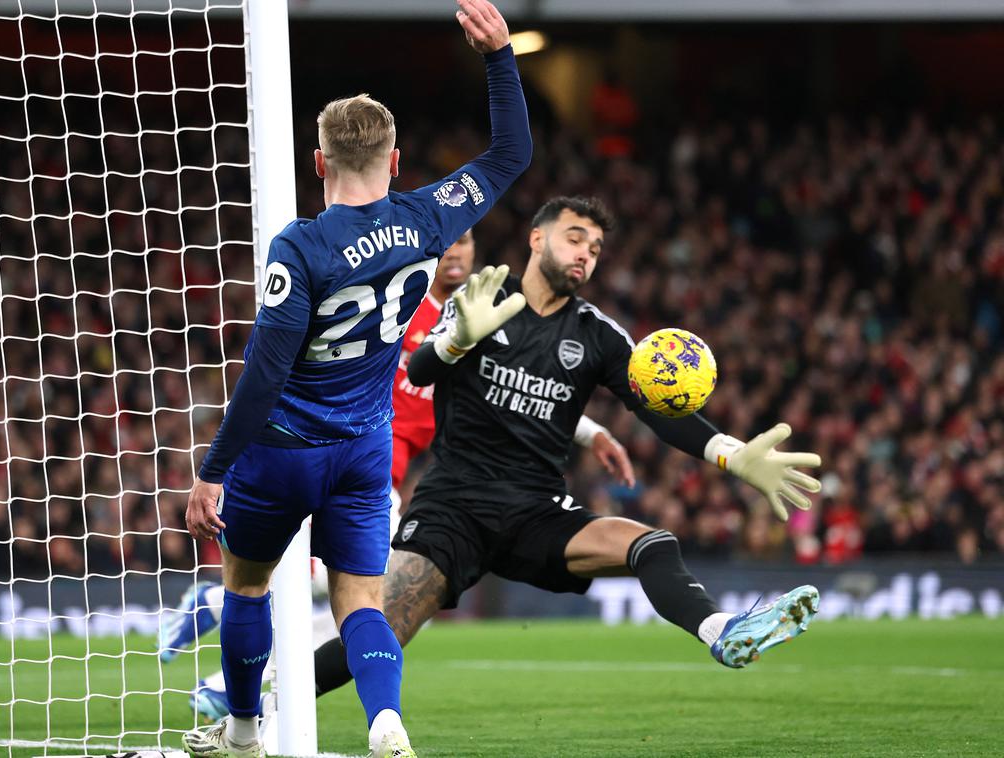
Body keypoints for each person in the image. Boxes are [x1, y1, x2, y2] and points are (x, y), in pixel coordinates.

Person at [305, 194, 824, 707]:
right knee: (381, 635)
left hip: (538, 512)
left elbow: (653, 409)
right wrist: (456, 340)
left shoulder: (596, 334)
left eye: (595, 249)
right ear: (537, 238)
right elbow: (419, 371)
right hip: (454, 509)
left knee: (652, 543)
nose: (585, 255)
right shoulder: (483, 297)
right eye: (575, 239)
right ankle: (250, 703)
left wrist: (730, 453)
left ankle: (720, 631)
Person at [180, 2, 531, 756]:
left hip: (283, 450)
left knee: (245, 585)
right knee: (360, 603)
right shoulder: (432, 218)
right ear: (397, 160)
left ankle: (243, 732)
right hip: (365, 449)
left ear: (318, 163)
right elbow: (511, 153)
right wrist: (499, 58)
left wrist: (214, 472)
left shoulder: (299, 248)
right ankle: (385, 721)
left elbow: (265, 373)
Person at [160, 228, 637, 722]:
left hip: (372, 473)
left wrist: (593, 432)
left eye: (467, 241)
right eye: (447, 241)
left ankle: (221, 634)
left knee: (358, 597)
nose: (456, 250)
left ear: (476, 251)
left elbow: (521, 392)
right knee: (369, 601)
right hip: (345, 457)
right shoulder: (395, 302)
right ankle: (225, 641)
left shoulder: (476, 320)